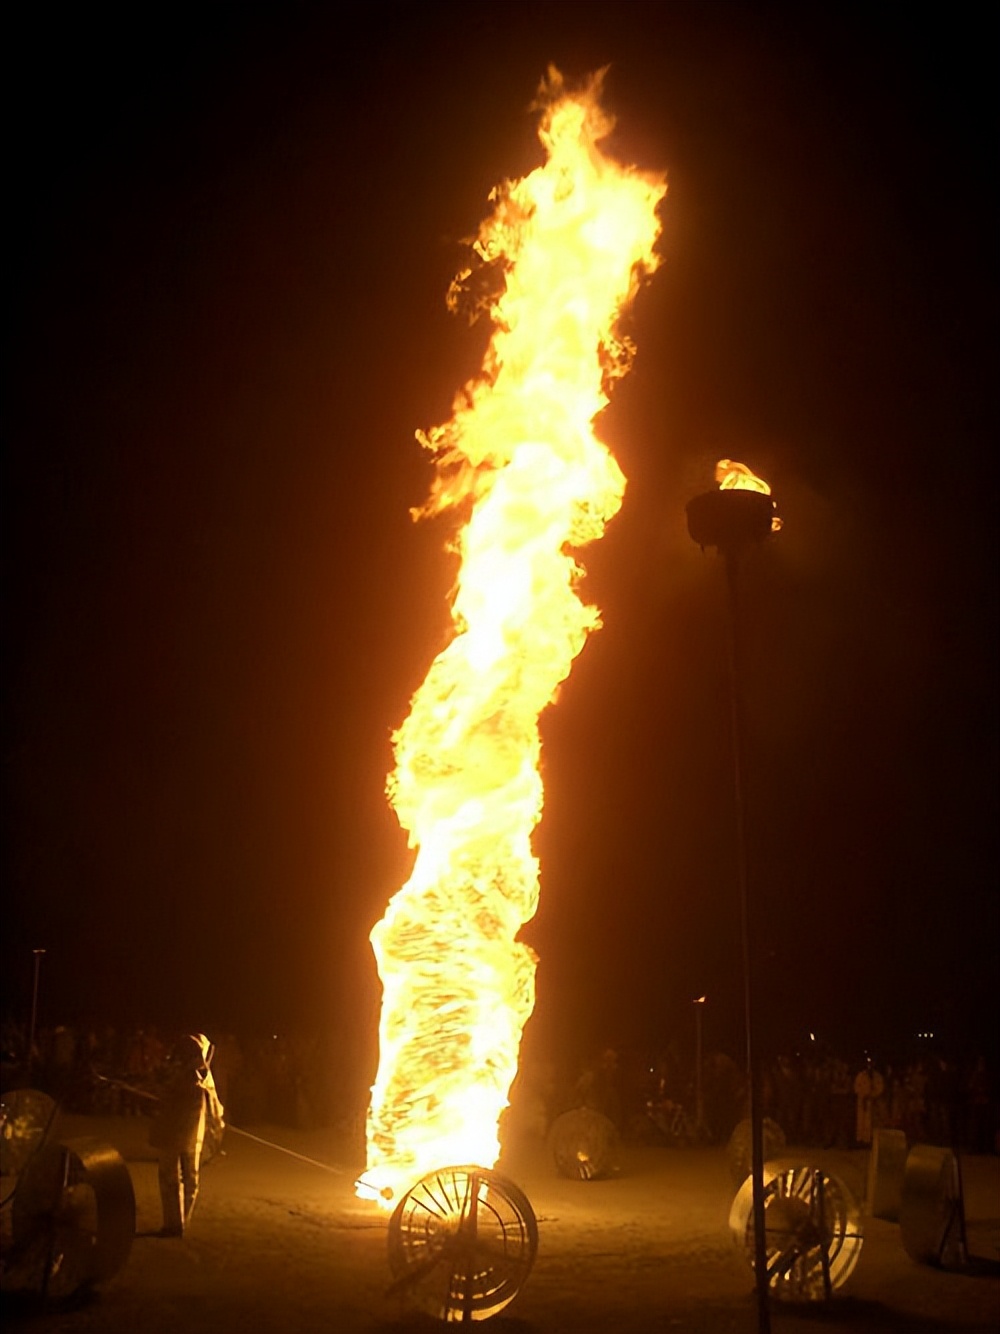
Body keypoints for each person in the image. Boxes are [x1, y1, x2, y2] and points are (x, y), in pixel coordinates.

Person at [150, 1033, 225, 1236]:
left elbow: (213, 1105)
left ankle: (176, 1223)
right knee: (186, 1176)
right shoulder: (191, 1074)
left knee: (174, 1176)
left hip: (181, 1130)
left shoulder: (190, 1075)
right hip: (187, 1132)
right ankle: (178, 1222)